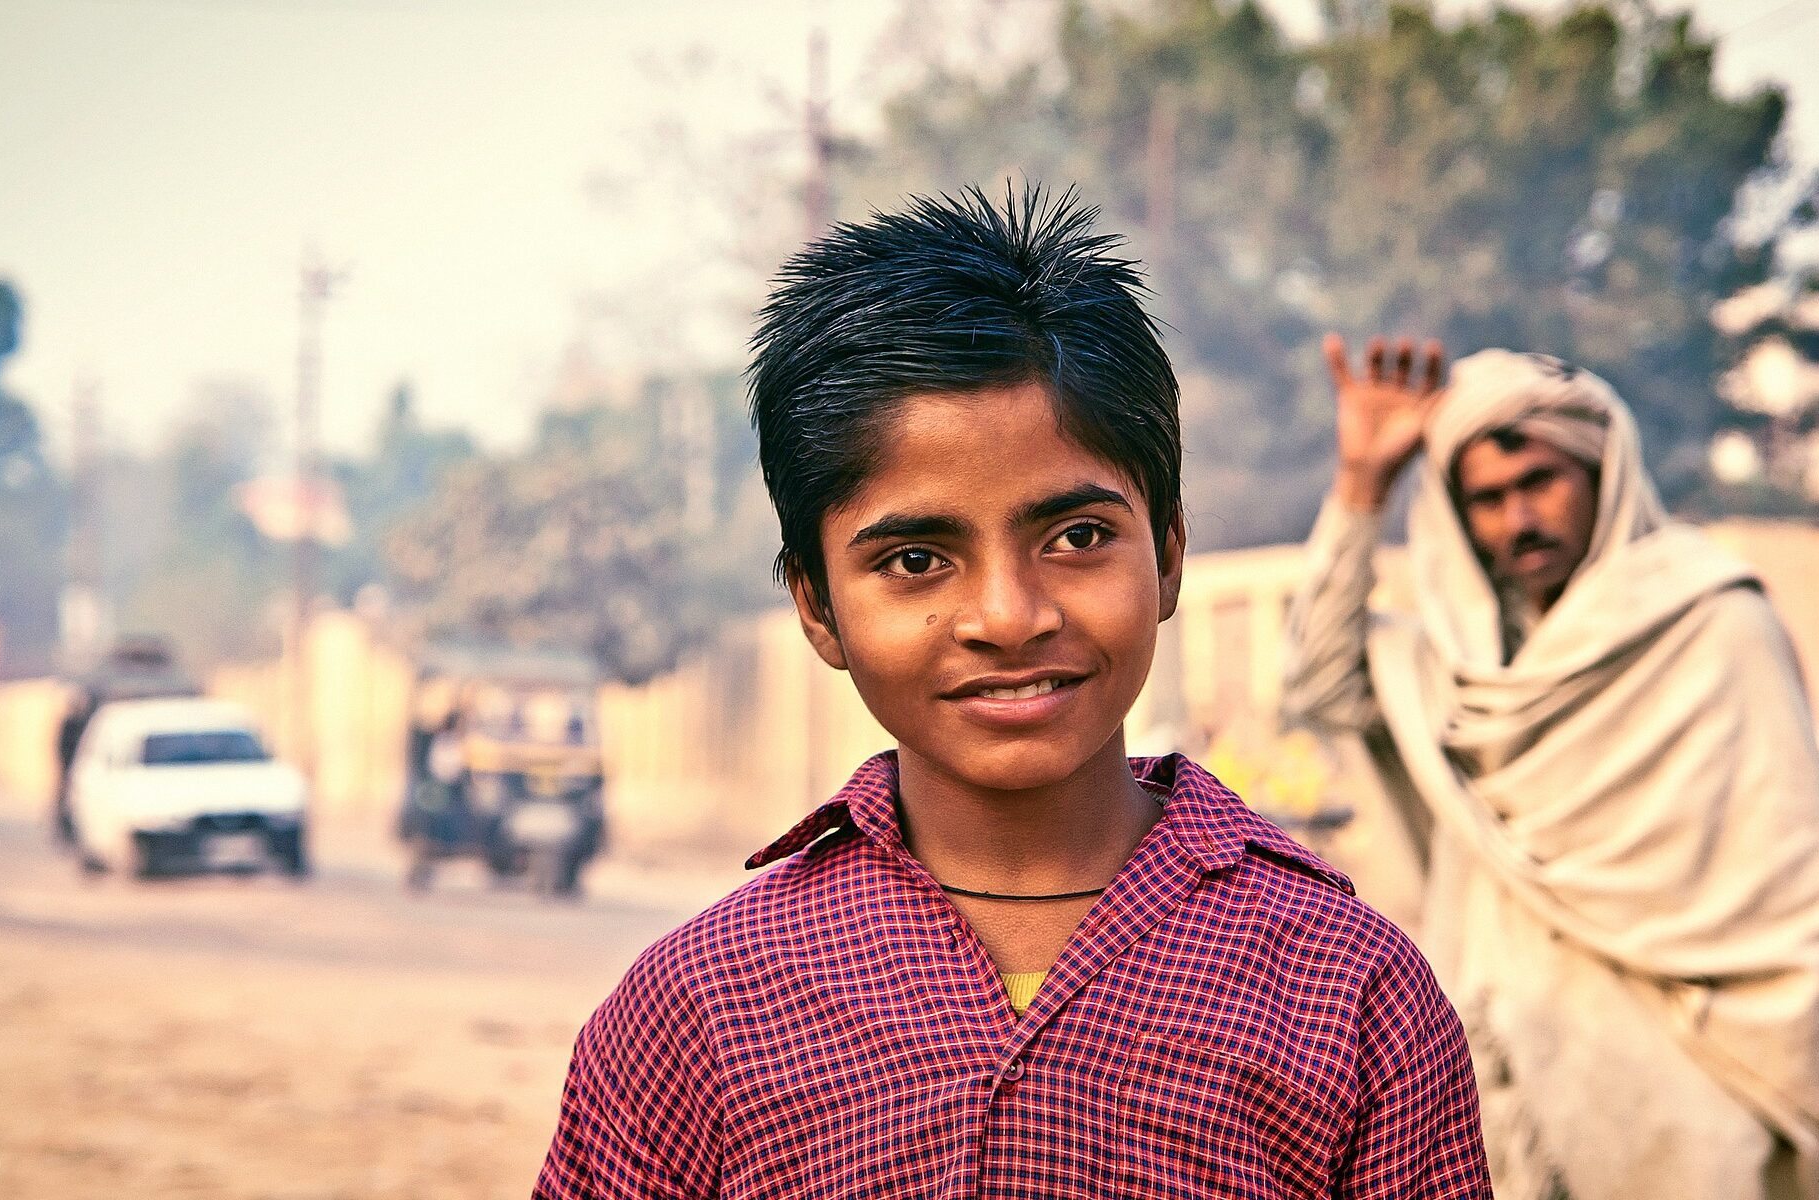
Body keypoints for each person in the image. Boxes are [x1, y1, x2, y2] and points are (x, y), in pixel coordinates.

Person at [532, 190, 1490, 1199]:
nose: (1007, 615)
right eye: (914, 559)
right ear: (818, 607)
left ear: (1168, 556)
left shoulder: (1345, 992)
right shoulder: (700, 1009)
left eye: (1076, 538)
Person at [1281, 337, 1819, 1200]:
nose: (1519, 520)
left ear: (1602, 477)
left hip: (1688, 1088)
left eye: (1541, 482)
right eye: (1488, 499)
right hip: (1504, 1089)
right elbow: (1318, 679)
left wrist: (1772, 1067)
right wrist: (1362, 486)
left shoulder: (1711, 624)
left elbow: (1800, 886)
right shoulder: (1459, 672)